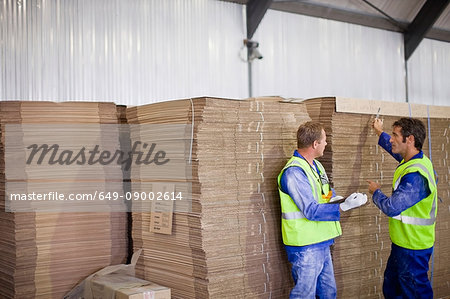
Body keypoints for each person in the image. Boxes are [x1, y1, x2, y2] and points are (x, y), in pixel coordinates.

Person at [277, 121, 367, 299]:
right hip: (305, 246)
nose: (327, 143)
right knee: (305, 295)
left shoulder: (317, 167)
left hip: (322, 240)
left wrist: (343, 199)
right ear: (315, 144)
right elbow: (310, 210)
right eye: (324, 140)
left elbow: (325, 196)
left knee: (328, 292)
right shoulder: (294, 172)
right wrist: (343, 207)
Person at [367, 117, 437, 299]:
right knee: (393, 289)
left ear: (410, 139)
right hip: (402, 244)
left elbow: (392, 207)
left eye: (395, 135)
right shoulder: (413, 159)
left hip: (413, 247)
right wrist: (379, 132)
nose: (391, 139)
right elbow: (396, 152)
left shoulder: (416, 175)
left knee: (414, 293)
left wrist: (376, 192)